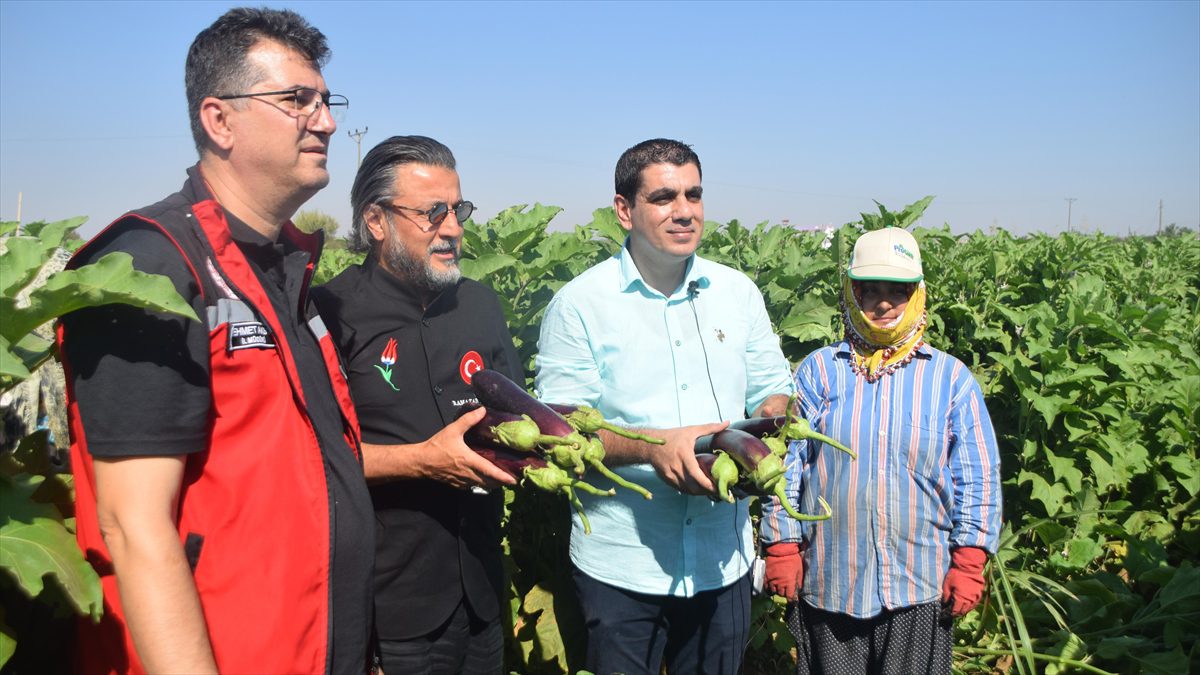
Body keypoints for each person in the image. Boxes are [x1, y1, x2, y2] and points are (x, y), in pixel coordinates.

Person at [58, 8, 375, 674]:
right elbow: (132, 528)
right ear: (219, 119)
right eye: (297, 100)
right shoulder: (153, 264)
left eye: (325, 100)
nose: (326, 121)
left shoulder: (284, 268)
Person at [535, 138, 794, 675]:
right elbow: (559, 432)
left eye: (693, 195)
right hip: (623, 566)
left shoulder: (737, 292)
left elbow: (773, 390)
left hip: (723, 560)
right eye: (664, 197)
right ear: (624, 209)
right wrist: (653, 449)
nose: (684, 211)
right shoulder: (580, 305)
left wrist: (775, 426)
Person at [312, 135, 521, 675]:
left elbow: (516, 419)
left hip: (480, 591)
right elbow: (312, 460)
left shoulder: (479, 303)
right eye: (432, 213)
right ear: (376, 221)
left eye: (458, 209)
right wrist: (421, 460)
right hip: (388, 605)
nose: (452, 228)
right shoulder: (330, 313)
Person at [759, 227, 1002, 674]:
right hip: (831, 580)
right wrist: (782, 544)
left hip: (918, 584)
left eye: (898, 291)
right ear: (852, 294)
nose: (884, 303)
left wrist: (970, 560)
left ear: (917, 295)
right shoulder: (819, 373)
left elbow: (977, 476)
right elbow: (786, 464)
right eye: (870, 290)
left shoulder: (950, 379)